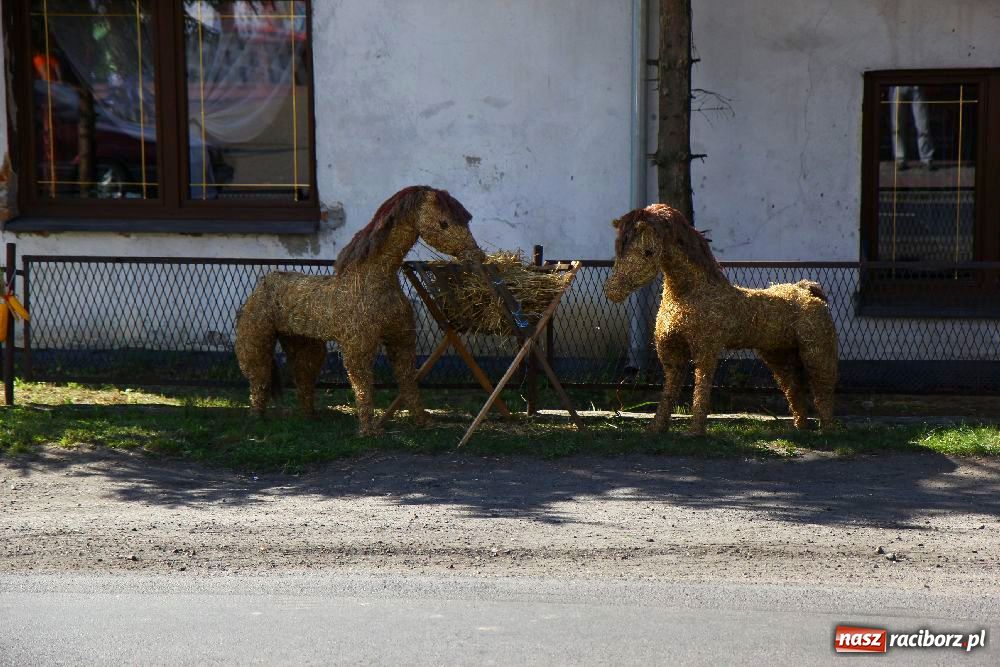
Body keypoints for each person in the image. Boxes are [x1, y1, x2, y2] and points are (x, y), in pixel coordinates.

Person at [889, 85, 935, 170]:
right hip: (897, 84)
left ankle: (926, 159)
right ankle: (900, 159)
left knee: (922, 126)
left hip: (917, 84)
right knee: (896, 126)